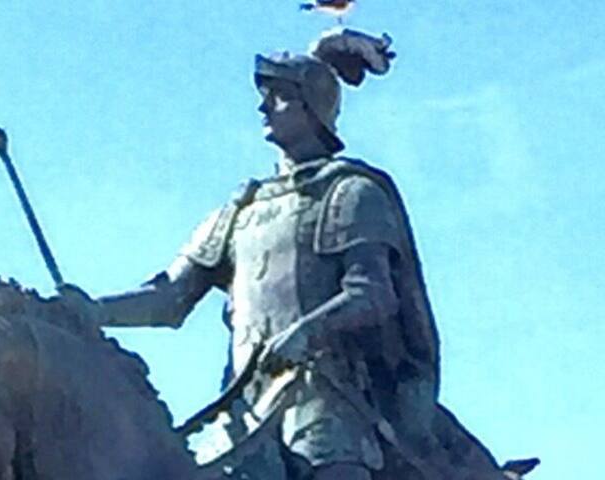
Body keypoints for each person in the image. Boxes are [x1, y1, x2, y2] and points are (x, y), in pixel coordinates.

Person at [57, 29, 501, 480]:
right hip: (243, 413)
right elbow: (170, 297)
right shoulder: (241, 210)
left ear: (312, 107)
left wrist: (306, 332)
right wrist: (91, 310)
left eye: (280, 97)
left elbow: (372, 294)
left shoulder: (351, 192)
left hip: (329, 405)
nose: (263, 108)